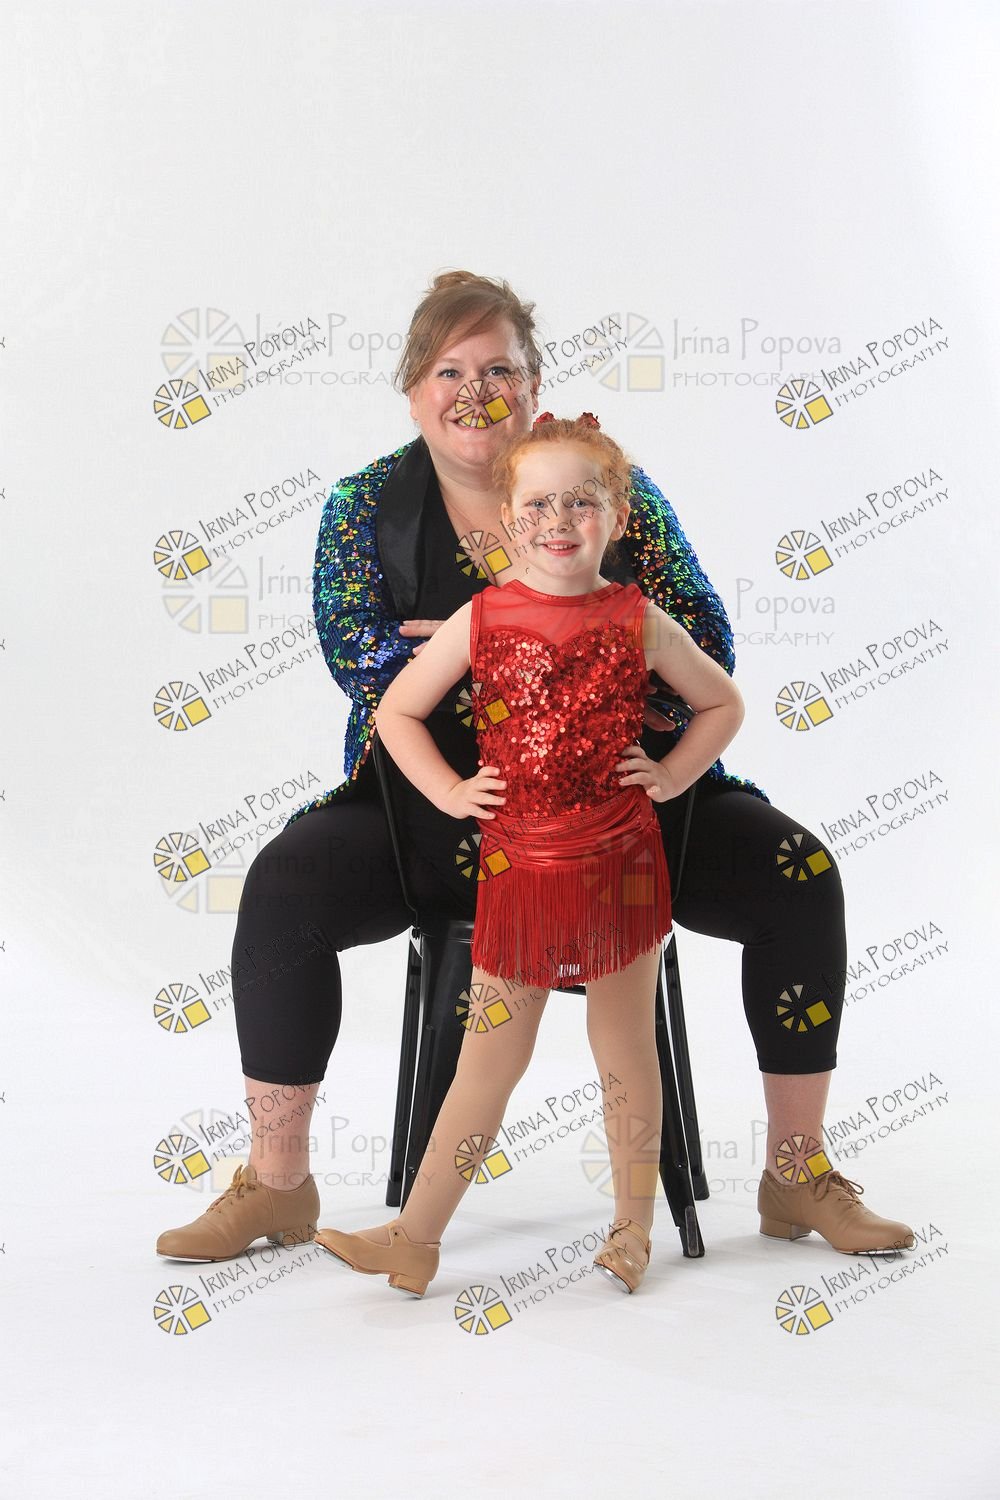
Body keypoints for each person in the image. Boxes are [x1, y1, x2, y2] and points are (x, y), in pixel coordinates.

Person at [156, 269, 914, 1267]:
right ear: (413, 390)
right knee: (282, 885)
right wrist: (518, 654)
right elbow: (364, 662)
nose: (475, 391)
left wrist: (542, 674)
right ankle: (278, 1183)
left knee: (800, 872)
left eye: (499, 369)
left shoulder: (607, 485)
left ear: (534, 383)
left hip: (620, 822)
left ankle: (796, 1170)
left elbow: (706, 642)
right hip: (436, 817)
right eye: (449, 370)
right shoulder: (364, 505)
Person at [310, 413, 745, 1297]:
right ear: (508, 521)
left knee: (624, 1049)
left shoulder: (639, 618)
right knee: (488, 1058)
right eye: (539, 504)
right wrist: (447, 791)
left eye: (582, 501)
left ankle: (632, 1230)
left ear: (617, 515)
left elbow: (723, 702)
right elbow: (397, 711)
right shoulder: (483, 617)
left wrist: (670, 774)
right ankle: (415, 1238)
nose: (559, 520)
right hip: (519, 870)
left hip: (621, 866)